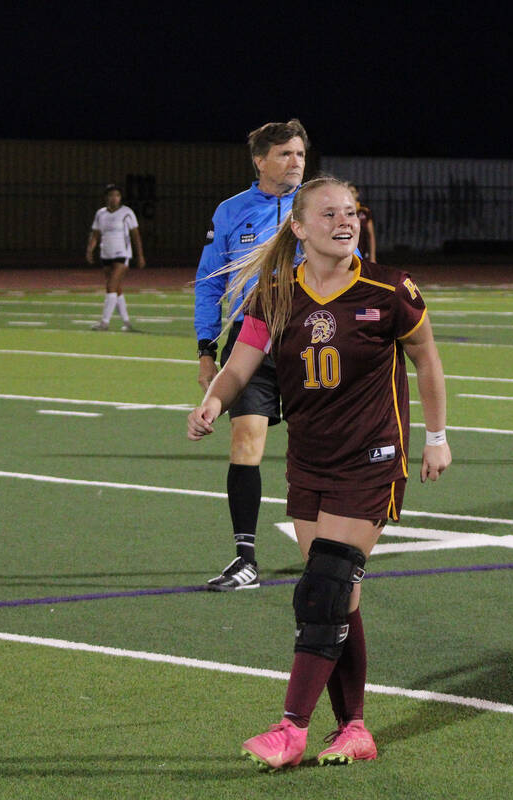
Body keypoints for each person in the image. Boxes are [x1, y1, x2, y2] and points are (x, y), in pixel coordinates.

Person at [188, 176, 450, 769]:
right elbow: (241, 363)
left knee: (326, 585)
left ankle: (292, 728)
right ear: (299, 228)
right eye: (329, 212)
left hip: (373, 456)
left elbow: (427, 359)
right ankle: (354, 728)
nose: (345, 220)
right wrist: (213, 402)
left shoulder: (390, 287)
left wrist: (436, 437)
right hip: (309, 458)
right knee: (336, 599)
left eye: (351, 212)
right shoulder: (276, 293)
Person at [194, 120, 308, 590]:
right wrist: (206, 348)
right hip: (249, 338)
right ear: (260, 160)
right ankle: (245, 559)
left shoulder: (317, 207)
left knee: (318, 447)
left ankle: (330, 550)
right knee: (245, 443)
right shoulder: (231, 212)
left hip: (310, 338)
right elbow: (210, 283)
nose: (296, 162)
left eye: (300, 154)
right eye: (284, 154)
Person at [86, 184, 145, 331]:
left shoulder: (127, 212)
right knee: (116, 288)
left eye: (117, 195)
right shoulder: (100, 214)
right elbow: (96, 234)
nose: (114, 198)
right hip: (106, 254)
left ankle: (104, 323)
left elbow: (135, 235)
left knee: (111, 286)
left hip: (122, 254)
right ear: (106, 197)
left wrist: (140, 255)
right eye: (111, 195)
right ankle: (127, 322)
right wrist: (90, 249)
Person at [346, 182, 377, 261]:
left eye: (352, 192)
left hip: (362, 252)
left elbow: (371, 235)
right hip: (346, 253)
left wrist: (372, 257)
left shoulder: (364, 211)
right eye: (347, 192)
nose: (350, 195)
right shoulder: (341, 211)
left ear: (357, 194)